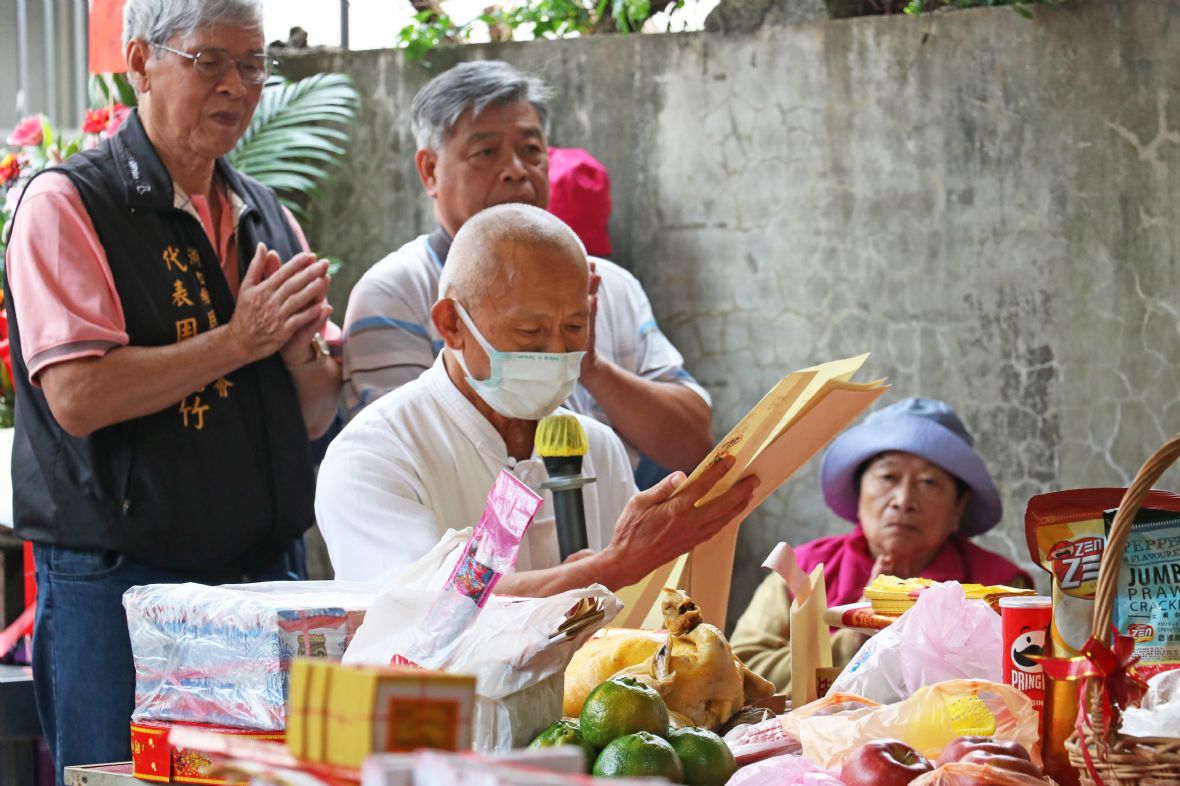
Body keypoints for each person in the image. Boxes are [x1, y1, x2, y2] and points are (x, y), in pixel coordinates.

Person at [3, 0, 341, 779]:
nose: (238, 87)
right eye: (210, 62)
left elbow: (314, 414)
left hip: (261, 575)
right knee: (123, 776)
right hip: (121, 581)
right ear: (140, 64)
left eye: (253, 66)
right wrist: (239, 340)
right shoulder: (68, 203)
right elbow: (78, 396)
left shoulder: (265, 211)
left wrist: (300, 356)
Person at [317, 203, 758, 595]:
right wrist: (613, 567)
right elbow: (431, 610)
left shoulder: (597, 447)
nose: (556, 353)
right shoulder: (374, 454)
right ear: (451, 324)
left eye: (574, 328)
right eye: (530, 332)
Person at [340, 60, 713, 478]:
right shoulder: (395, 295)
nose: (516, 170)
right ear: (430, 170)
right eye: (486, 152)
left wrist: (588, 367)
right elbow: (400, 462)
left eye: (531, 150)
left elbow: (694, 445)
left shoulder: (612, 286)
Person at [729, 397, 1033, 692]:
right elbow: (738, 671)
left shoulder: (1001, 588)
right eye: (888, 477)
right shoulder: (800, 571)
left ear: (958, 507)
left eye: (928, 482)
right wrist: (857, 639)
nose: (903, 500)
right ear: (858, 493)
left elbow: (1022, 682)